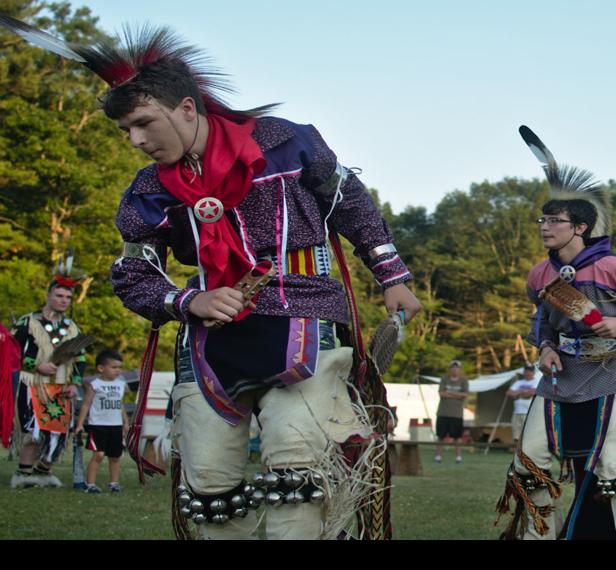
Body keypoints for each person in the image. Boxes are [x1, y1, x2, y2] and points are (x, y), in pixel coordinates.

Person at [0, 16, 423, 538]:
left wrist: (391, 274)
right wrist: (187, 302)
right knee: (209, 490)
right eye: (125, 130)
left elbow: (349, 203)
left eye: (143, 124)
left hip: (305, 320)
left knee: (301, 471)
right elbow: (134, 270)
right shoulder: (150, 190)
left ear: (184, 107)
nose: (135, 140)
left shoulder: (285, 145)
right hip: (208, 341)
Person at [496, 127, 616, 540]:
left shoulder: (615, 268)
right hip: (561, 377)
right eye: (542, 219)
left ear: (579, 227)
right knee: (529, 466)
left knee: (613, 474)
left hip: (612, 373)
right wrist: (544, 346)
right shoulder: (540, 274)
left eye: (555, 220)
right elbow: (540, 319)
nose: (545, 227)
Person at [9, 261, 88, 480]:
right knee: (33, 429)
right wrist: (36, 365)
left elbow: (80, 359)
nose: (64, 300)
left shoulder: (72, 327)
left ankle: (44, 471)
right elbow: (10, 354)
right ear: (48, 295)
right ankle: (24, 473)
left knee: (58, 430)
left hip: (61, 385)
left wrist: (75, 383)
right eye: (59, 295)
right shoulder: (28, 322)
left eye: (68, 297)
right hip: (32, 383)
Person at [74, 349, 131, 494]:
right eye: (114, 367)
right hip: (98, 425)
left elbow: (121, 405)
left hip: (115, 425)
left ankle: (114, 483)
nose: (118, 371)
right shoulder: (95, 384)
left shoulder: (120, 385)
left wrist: (125, 422)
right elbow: (86, 404)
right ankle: (90, 484)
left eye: (120, 367)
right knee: (98, 454)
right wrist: (80, 424)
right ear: (101, 368)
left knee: (115, 456)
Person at [435, 361, 469, 464]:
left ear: (460, 369)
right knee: (440, 436)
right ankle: (438, 457)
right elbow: (441, 394)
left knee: (457, 437)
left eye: (457, 368)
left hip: (457, 414)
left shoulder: (464, 381)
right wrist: (457, 395)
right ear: (450, 369)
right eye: (452, 368)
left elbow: (464, 395)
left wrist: (449, 392)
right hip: (443, 413)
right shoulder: (444, 379)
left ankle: (458, 457)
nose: (454, 369)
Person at [507, 363, 539, 454]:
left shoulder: (537, 382)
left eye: (529, 371)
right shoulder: (519, 382)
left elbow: (533, 392)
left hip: (529, 412)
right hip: (517, 412)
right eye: (526, 371)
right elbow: (509, 393)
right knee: (516, 434)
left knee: (528, 433)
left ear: (533, 372)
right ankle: (518, 452)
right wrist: (523, 393)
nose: (527, 373)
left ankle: (528, 452)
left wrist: (518, 393)